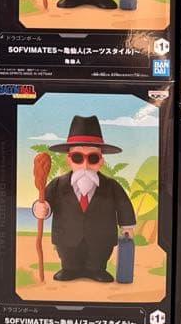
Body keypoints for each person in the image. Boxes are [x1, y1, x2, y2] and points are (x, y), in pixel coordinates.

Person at [32, 115, 135, 282]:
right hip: (67, 236)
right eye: (78, 157)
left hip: (101, 237)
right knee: (69, 257)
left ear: (101, 160)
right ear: (69, 159)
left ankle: (97, 270)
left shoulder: (111, 186)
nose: (85, 165)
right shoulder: (58, 185)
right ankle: (69, 269)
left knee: (98, 256)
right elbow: (46, 202)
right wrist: (41, 208)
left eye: (92, 158)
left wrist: (127, 226)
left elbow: (123, 205)